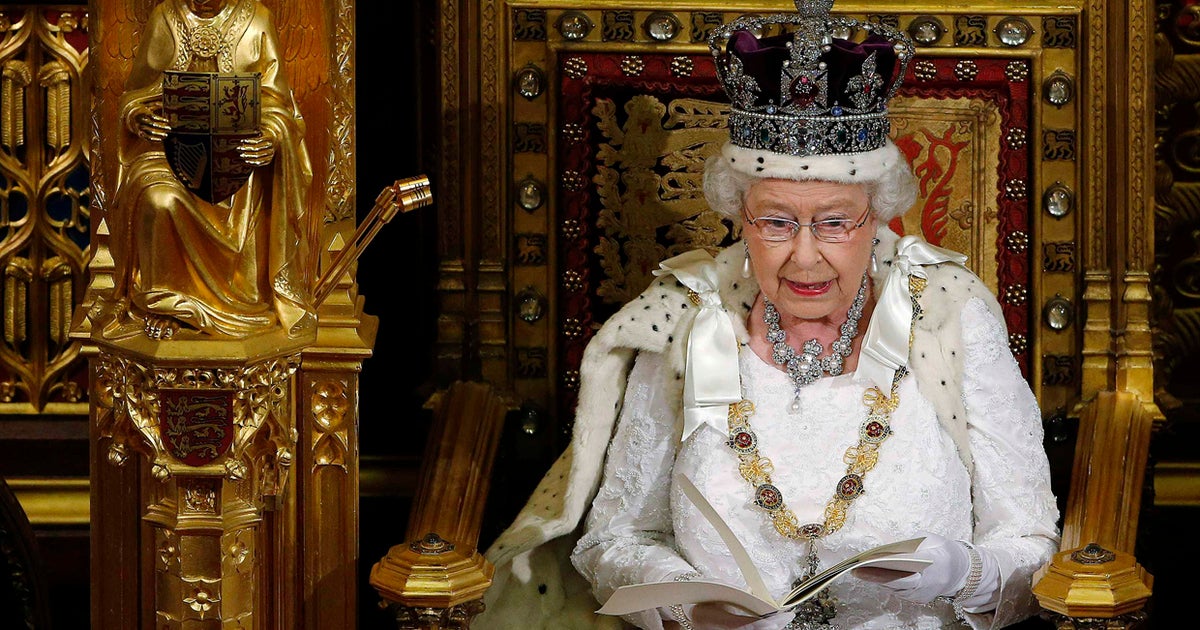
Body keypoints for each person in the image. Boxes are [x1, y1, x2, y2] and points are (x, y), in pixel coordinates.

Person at [479, 1, 1059, 628]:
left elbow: (1029, 541)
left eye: (835, 222)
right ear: (739, 217)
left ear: (879, 217)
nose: (804, 256)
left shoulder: (950, 315)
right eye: (776, 221)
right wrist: (687, 600)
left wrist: (963, 573)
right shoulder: (687, 320)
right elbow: (612, 541)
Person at [105, 0, 315, 340]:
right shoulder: (165, 17)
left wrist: (271, 136)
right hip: (170, 154)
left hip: (239, 162)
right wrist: (139, 118)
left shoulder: (258, 20)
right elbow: (136, 95)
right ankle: (166, 303)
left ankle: (244, 297)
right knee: (157, 199)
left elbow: (279, 105)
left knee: (243, 189)